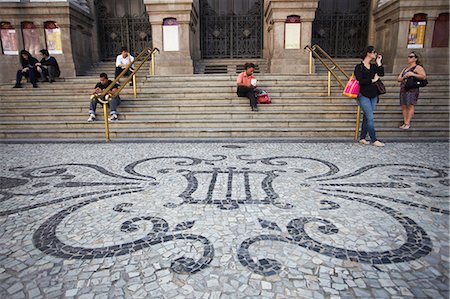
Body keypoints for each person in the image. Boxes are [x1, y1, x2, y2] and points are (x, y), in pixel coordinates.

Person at [354, 46, 385, 147]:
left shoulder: (374, 66)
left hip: (374, 94)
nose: (375, 54)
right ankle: (373, 139)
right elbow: (360, 80)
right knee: (370, 117)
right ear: (368, 53)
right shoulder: (359, 67)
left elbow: (381, 73)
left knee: (367, 117)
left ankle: (362, 137)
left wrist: (379, 62)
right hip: (363, 95)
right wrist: (373, 80)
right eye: (374, 52)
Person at [397, 52, 427, 130]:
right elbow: (399, 78)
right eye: (408, 56)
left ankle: (407, 123)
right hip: (404, 88)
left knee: (410, 105)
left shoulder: (418, 67)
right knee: (404, 105)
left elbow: (423, 76)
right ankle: (405, 122)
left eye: (411, 57)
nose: (409, 58)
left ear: (415, 59)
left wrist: (413, 74)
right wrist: (404, 77)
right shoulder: (405, 68)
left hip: (412, 88)